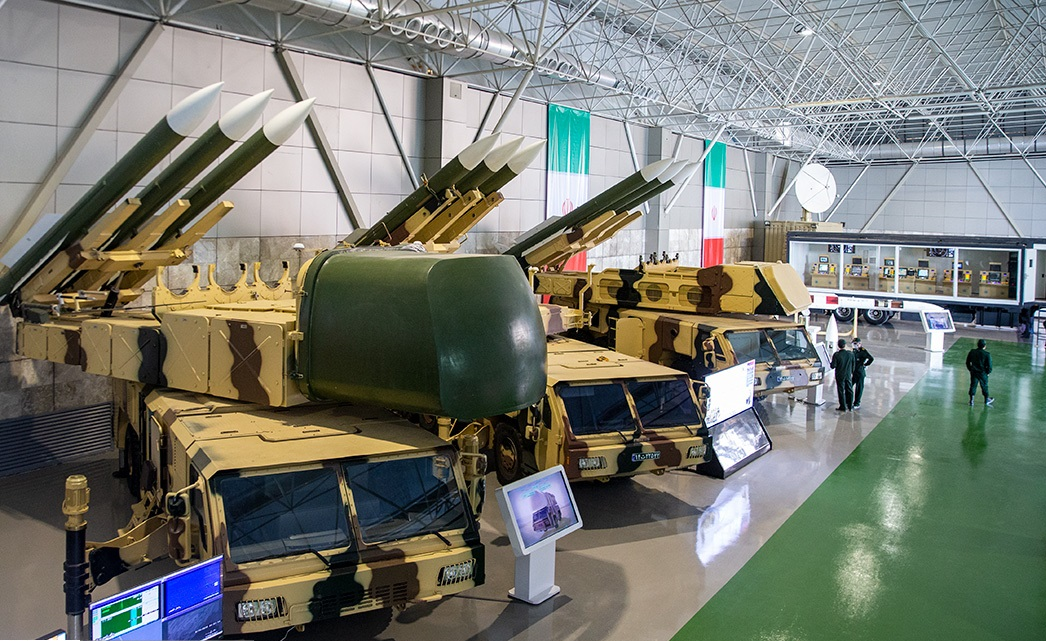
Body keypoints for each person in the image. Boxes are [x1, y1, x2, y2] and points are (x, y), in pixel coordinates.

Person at [965, 339, 994, 406]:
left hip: (974, 372)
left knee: (973, 385)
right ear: (984, 346)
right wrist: (988, 372)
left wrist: (970, 369)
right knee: (984, 386)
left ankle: (971, 400)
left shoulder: (972, 352)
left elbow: (967, 362)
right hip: (983, 373)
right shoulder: (987, 354)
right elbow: (989, 366)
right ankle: (986, 400)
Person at [830, 338, 855, 411]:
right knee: (849, 389)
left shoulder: (836, 355)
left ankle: (843, 406)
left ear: (838, 346)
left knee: (841, 390)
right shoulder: (850, 354)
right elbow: (853, 365)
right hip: (848, 375)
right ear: (845, 345)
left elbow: (833, 366)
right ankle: (850, 405)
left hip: (840, 375)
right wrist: (851, 372)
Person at [851, 338, 874, 409]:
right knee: (849, 385)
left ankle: (857, 403)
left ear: (860, 344)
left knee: (859, 388)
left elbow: (871, 358)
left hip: (860, 372)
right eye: (853, 344)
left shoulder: (863, 351)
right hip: (854, 372)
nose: (854, 345)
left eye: (856, 344)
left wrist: (865, 365)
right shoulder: (854, 351)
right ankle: (848, 401)